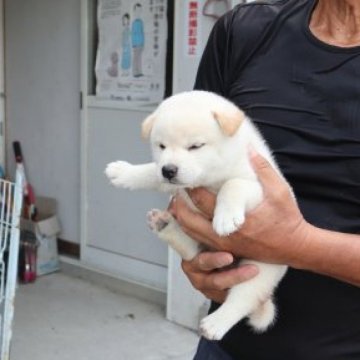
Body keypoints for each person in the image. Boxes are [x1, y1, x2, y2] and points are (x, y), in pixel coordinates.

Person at [169, 0, 360, 359]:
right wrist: (199, 258)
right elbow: (193, 170)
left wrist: (298, 244)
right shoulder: (244, 32)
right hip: (227, 346)